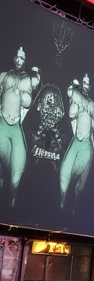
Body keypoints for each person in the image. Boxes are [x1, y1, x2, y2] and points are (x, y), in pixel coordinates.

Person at [0, 47, 39, 208]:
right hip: (1, 123)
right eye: (16, 57)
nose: (18, 60)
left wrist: (33, 79)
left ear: (25, 61)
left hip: (16, 126)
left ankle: (11, 206)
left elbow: (28, 102)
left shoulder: (28, 80)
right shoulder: (3, 76)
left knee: (18, 167)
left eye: (21, 58)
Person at [59, 74, 94, 212]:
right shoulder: (76, 97)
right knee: (64, 174)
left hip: (86, 144)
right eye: (84, 83)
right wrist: (74, 87)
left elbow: (92, 128)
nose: (86, 86)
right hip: (76, 141)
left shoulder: (92, 104)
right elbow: (71, 110)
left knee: (80, 185)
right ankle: (61, 207)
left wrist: (93, 148)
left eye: (88, 83)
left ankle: (74, 209)